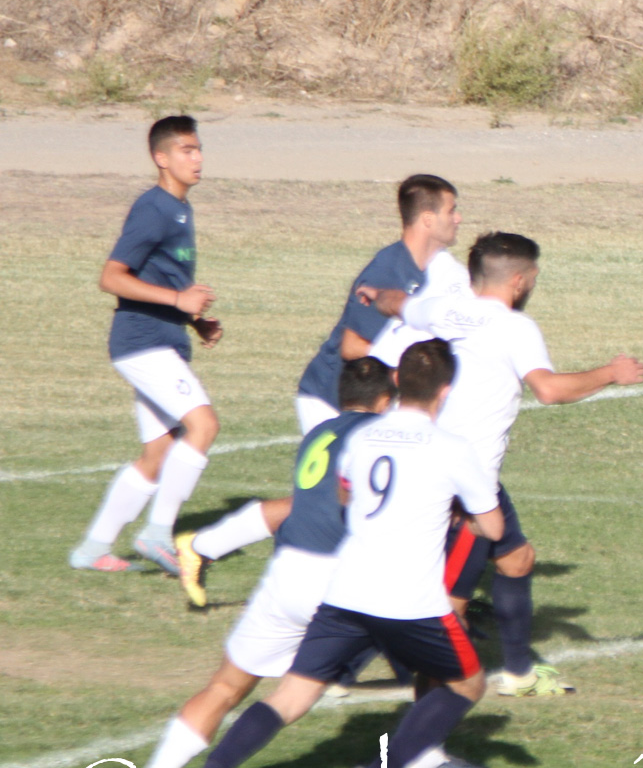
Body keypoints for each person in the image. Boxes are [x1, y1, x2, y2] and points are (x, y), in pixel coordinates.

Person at [151, 340, 504, 768]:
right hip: (404, 598)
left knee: (290, 697)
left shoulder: (358, 437)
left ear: (398, 382)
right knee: (466, 682)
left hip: (339, 592)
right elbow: (491, 527)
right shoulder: (450, 447)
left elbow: (344, 493)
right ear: (444, 392)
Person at [367, 231, 643, 697]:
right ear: (519, 281)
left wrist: (375, 294)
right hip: (462, 481)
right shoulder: (515, 328)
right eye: (533, 277)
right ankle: (400, 704)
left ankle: (518, 674)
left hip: (458, 472)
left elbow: (396, 303)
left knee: (517, 560)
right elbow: (548, 390)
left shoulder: (444, 309)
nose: (532, 285)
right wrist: (611, 373)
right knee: (448, 606)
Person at [173, 175, 469, 607]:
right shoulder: (390, 269)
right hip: (333, 399)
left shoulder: (433, 271)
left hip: (369, 402)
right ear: (427, 218)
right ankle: (203, 547)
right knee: (330, 503)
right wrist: (412, 376)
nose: (458, 219)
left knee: (347, 500)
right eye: (451, 210)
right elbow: (353, 347)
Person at [138, 357, 394, 768]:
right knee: (438, 670)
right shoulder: (382, 439)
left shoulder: (319, 434)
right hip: (338, 580)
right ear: (385, 400)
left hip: (287, 572)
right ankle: (419, 761)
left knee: (224, 686)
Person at [70, 116, 224, 576]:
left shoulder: (179, 208)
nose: (197, 158)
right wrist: (178, 301)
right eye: (186, 150)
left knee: (157, 454)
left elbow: (160, 280)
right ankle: (158, 533)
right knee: (204, 425)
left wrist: (194, 320)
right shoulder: (153, 209)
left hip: (161, 339)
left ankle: (92, 549)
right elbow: (111, 277)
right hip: (142, 343)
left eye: (198, 149)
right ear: (161, 158)